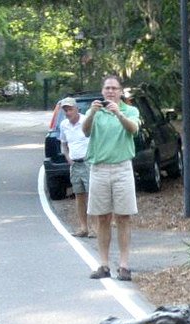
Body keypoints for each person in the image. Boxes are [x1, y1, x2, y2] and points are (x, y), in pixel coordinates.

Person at [82, 75, 141, 281]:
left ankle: (124, 265)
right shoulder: (95, 111)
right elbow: (85, 130)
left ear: (120, 91)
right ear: (102, 90)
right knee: (102, 217)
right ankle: (103, 264)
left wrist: (119, 115)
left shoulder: (130, 111)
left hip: (122, 168)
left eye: (114, 88)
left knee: (123, 217)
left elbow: (133, 129)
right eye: (107, 88)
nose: (110, 92)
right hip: (99, 168)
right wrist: (91, 113)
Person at [58, 97, 95, 238]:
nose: (68, 112)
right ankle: (83, 227)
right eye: (65, 110)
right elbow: (63, 144)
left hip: (88, 162)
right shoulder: (64, 125)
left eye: (70, 109)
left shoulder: (86, 120)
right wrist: (68, 159)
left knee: (92, 195)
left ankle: (94, 227)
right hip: (75, 164)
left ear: (77, 109)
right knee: (79, 196)